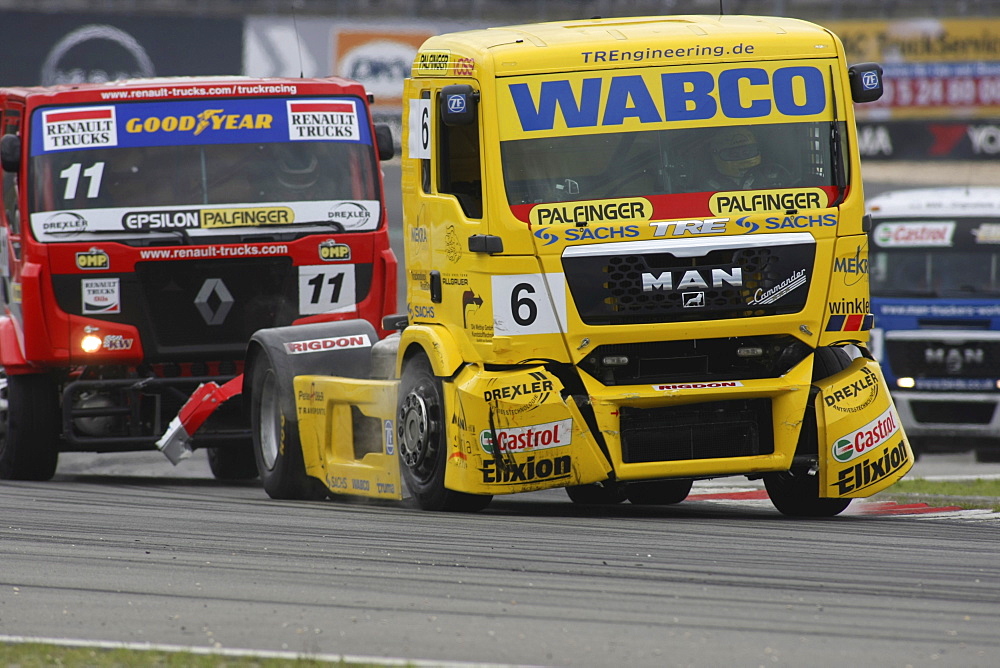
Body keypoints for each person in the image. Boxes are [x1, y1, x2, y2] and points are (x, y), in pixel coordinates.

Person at [704, 126, 792, 190]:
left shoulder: (772, 179)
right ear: (716, 155)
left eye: (747, 152)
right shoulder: (712, 187)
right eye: (734, 154)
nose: (742, 158)